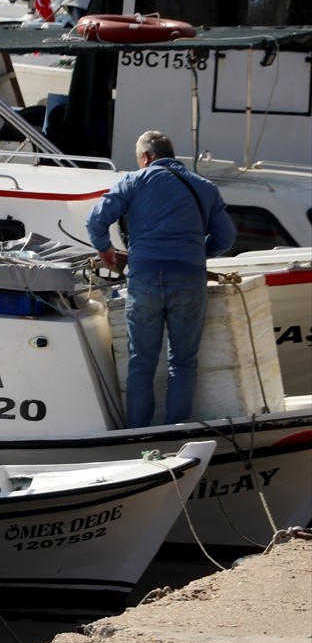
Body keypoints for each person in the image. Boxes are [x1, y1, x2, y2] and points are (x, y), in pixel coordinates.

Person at [86, 131, 236, 428]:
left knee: (141, 364)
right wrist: (197, 253)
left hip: (145, 281)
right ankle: (174, 432)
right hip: (190, 281)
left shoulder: (135, 181)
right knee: (182, 362)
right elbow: (227, 236)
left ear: (145, 157)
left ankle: (138, 435)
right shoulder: (204, 187)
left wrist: (104, 249)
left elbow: (96, 219)